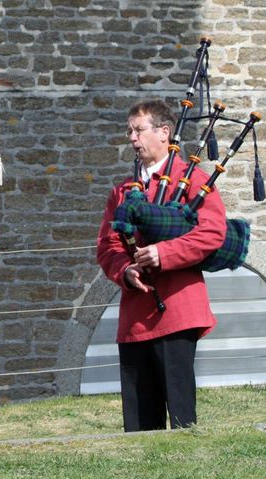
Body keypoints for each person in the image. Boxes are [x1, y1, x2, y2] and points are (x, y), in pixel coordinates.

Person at [96, 99, 226, 431]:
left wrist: (163, 254)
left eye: (139, 130)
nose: (132, 138)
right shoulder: (123, 191)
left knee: (182, 421)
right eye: (129, 131)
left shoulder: (194, 179)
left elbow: (211, 233)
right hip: (136, 313)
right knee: (139, 426)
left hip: (179, 309)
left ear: (164, 132)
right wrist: (126, 270)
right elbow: (108, 246)